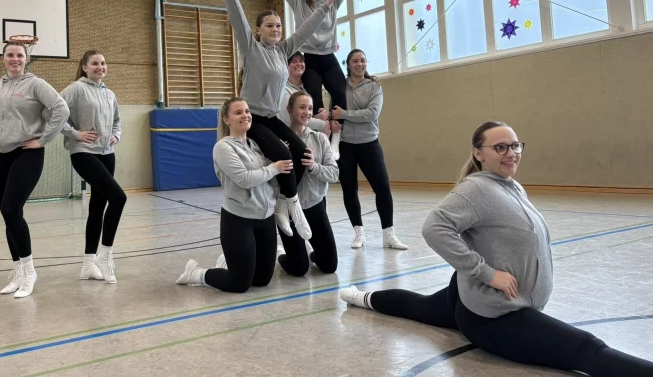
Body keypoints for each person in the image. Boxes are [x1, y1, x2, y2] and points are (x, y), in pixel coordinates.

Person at [340, 121, 653, 376]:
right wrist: (486, 274)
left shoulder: (510, 185)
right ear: (479, 153)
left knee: (419, 307)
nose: (511, 153)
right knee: (586, 349)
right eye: (500, 147)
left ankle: (360, 297)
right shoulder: (476, 188)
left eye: (515, 145)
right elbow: (434, 227)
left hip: (474, 296)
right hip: (495, 317)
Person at [211, 0, 338, 240]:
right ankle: (290, 206)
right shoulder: (251, 48)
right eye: (269, 25)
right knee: (283, 154)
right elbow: (236, 15)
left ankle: (283, 202)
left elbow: (305, 30)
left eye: (278, 26)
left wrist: (325, 8)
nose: (275, 30)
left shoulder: (283, 51)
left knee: (303, 153)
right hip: (253, 117)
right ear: (258, 31)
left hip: (272, 117)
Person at [0, 41, 69, 298]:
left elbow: (61, 109)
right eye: (10, 55)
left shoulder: (36, 84)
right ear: (3, 58)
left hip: (27, 153)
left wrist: (43, 139)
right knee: (9, 215)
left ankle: (30, 271)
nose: (15, 59)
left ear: (26, 59)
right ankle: (18, 271)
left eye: (20, 55)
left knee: (12, 208)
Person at [175, 97, 293, 292]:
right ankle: (197, 273)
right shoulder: (223, 147)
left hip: (265, 218)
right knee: (238, 284)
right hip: (239, 221)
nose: (245, 115)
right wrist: (274, 167)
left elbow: (271, 180)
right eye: (238, 112)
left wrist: (280, 155)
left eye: (247, 111)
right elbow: (244, 178)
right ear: (226, 119)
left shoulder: (256, 146)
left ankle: (230, 261)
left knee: (262, 281)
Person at [264, 0, 364, 159]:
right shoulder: (299, 5)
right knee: (314, 97)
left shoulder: (332, 3)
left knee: (340, 91)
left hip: (328, 56)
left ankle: (336, 137)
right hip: (309, 56)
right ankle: (320, 137)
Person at [60, 50, 127, 284]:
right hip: (84, 153)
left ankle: (88, 264)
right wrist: (75, 133)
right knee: (119, 198)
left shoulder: (109, 93)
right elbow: (54, 111)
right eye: (95, 63)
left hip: (107, 154)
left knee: (98, 207)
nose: (100, 67)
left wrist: (115, 136)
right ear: (85, 67)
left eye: (103, 63)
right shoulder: (76, 89)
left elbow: (117, 121)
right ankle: (104, 257)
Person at [333, 49, 407, 250]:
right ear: (348, 64)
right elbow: (334, 113)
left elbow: (371, 114)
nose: (359, 64)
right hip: (345, 146)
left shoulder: (374, 86)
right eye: (355, 61)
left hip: (369, 144)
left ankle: (388, 234)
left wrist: (345, 114)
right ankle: (359, 233)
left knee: (382, 187)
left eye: (363, 60)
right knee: (350, 190)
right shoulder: (340, 87)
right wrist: (334, 118)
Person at [275, 91, 339, 276]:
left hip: (314, 206)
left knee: (329, 266)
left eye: (310, 108)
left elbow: (334, 173)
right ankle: (282, 253)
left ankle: (310, 252)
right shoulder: (278, 140)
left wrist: (314, 167)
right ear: (289, 109)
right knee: (299, 268)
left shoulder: (319, 139)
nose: (307, 112)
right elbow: (270, 179)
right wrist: (280, 155)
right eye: (302, 107)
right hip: (289, 210)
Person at [276, 52, 332, 136]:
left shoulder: (307, 87)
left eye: (301, 61)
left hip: (310, 136)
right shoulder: (283, 89)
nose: (299, 64)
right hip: (292, 137)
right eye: (294, 62)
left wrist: (327, 113)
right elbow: (290, 117)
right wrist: (323, 124)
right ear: (286, 66)